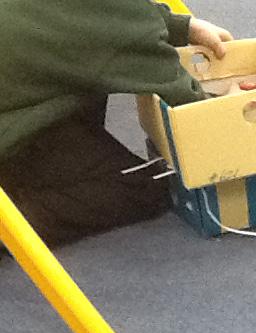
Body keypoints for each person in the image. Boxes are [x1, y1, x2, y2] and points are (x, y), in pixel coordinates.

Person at [0, 0, 232, 248]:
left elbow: (117, 16)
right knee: (142, 188)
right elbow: (180, 93)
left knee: (80, 73)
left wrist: (182, 27)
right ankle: (10, 225)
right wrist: (229, 110)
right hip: (14, 135)